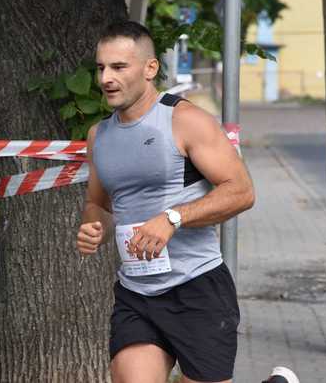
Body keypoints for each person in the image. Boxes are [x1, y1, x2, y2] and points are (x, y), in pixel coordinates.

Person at [76, 20, 255, 383]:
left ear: (150, 68)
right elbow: (100, 204)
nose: (105, 78)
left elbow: (241, 191)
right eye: (101, 68)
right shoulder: (100, 135)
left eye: (119, 67)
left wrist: (172, 217)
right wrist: (93, 226)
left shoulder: (185, 120)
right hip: (137, 294)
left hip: (197, 288)